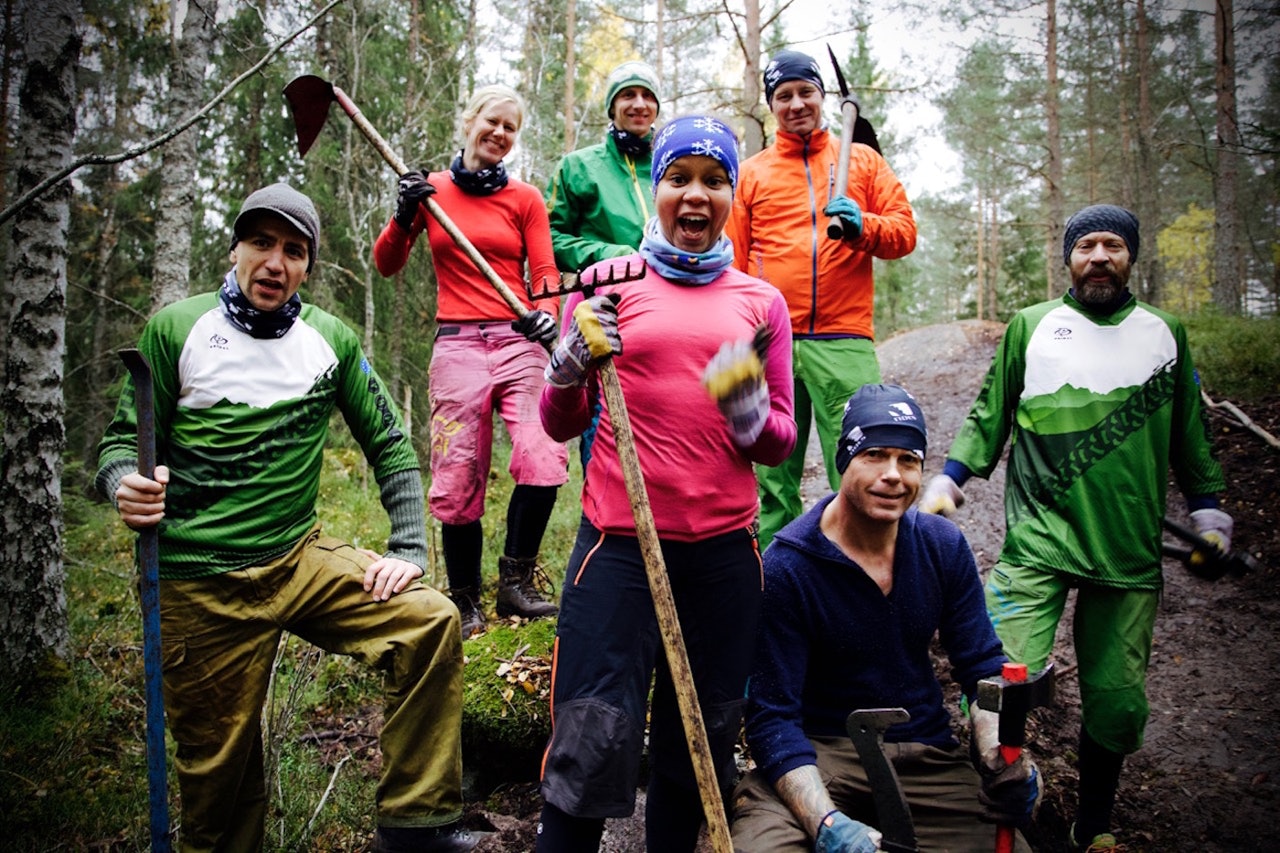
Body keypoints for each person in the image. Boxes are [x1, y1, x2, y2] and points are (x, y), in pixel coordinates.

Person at [95, 183, 474, 853]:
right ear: (237, 247)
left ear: (308, 265)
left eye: (294, 250)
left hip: (300, 560)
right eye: (262, 243)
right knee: (219, 779)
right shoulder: (176, 328)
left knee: (429, 622)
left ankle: (415, 825)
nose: (275, 262)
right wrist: (123, 481)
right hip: (197, 581)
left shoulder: (329, 340)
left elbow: (390, 444)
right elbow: (124, 440)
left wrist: (410, 546)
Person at [920, 204, 1231, 852]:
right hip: (1038, 537)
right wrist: (949, 480)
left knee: (1118, 704)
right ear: (1067, 257)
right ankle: (984, 810)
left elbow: (1189, 435)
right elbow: (990, 411)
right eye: (1085, 244)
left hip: (1127, 549)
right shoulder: (1033, 326)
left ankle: (1093, 822)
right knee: (998, 680)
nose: (1097, 256)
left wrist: (1209, 513)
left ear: (1130, 257)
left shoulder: (1164, 331)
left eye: (1111, 244)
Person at [533, 114, 797, 853]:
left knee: (701, 744)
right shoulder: (608, 285)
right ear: (658, 189)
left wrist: (749, 415)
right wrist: (568, 366)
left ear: (731, 196)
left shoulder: (760, 303)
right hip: (617, 552)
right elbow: (560, 424)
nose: (695, 194)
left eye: (714, 180)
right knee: (588, 738)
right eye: (679, 177)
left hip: (722, 560)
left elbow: (780, 441)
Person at [732, 384, 1040, 853]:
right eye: (874, 454)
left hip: (926, 757)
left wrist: (1002, 757)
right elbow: (773, 716)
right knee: (760, 848)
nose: (893, 475)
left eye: (909, 459)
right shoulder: (787, 567)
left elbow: (982, 671)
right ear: (845, 462)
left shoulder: (942, 546)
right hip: (822, 755)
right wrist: (826, 823)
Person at [374, 84, 568, 639]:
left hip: (517, 339)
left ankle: (516, 582)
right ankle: (464, 599)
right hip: (457, 345)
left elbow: (546, 272)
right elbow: (387, 262)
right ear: (470, 120)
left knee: (542, 453)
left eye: (511, 127)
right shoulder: (430, 191)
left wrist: (545, 314)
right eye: (493, 121)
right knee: (457, 472)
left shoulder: (525, 198)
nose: (501, 133)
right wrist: (402, 212)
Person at [726, 49, 918, 551]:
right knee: (771, 481)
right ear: (772, 106)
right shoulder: (751, 174)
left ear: (822, 96)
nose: (795, 104)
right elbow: (734, 264)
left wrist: (863, 226)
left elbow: (904, 233)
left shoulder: (863, 162)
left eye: (805, 92)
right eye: (783, 96)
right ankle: (768, 588)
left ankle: (861, 581)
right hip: (772, 341)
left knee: (863, 469)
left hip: (845, 339)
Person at [544, 59, 663, 469]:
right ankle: (601, 517)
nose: (639, 104)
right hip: (605, 310)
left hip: (666, 308)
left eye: (648, 96)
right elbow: (552, 238)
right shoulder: (578, 166)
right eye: (628, 94)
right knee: (604, 418)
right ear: (612, 107)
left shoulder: (671, 167)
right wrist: (610, 254)